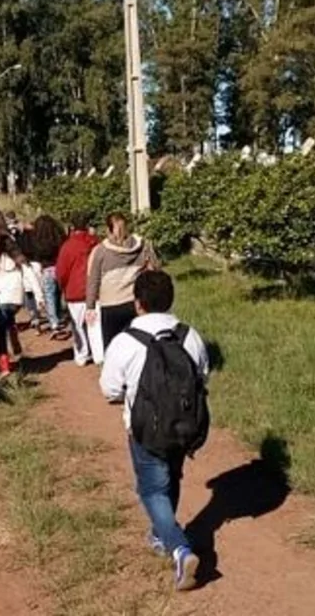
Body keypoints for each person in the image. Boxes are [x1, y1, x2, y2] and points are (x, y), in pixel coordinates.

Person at [100, 270, 209, 591]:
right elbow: (202, 374)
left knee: (151, 489)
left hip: (145, 429)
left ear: (138, 304)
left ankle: (179, 547)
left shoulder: (125, 341)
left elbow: (109, 389)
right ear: (171, 299)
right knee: (171, 478)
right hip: (185, 426)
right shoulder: (190, 335)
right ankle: (162, 535)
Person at [85, 212, 159, 351]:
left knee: (113, 346)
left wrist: (90, 306)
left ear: (108, 230)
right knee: (138, 343)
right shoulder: (142, 246)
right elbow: (154, 270)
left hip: (111, 306)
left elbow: (93, 280)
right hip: (135, 303)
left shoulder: (101, 251)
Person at [0, 235, 45, 379]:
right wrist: (39, 297)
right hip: (15, 300)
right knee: (9, 318)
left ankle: (4, 365)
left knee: (0, 333)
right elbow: (32, 277)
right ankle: (13, 334)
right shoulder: (19, 261)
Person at [57, 212, 101, 365]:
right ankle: (99, 355)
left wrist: (62, 287)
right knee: (94, 325)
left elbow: (61, 272)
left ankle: (82, 355)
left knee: (77, 326)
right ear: (88, 226)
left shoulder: (68, 246)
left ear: (72, 227)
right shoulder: (96, 242)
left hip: (74, 291)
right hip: (95, 290)